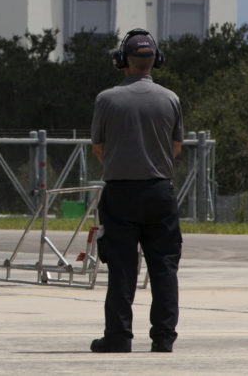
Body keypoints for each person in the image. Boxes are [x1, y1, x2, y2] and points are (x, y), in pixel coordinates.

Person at [90, 28, 183, 354]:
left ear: (122, 61)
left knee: (122, 267)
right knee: (164, 266)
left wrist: (123, 165)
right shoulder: (170, 98)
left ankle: (118, 336)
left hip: (120, 192)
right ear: (155, 61)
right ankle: (163, 338)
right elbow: (176, 145)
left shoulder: (106, 99)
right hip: (160, 191)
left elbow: (98, 146)